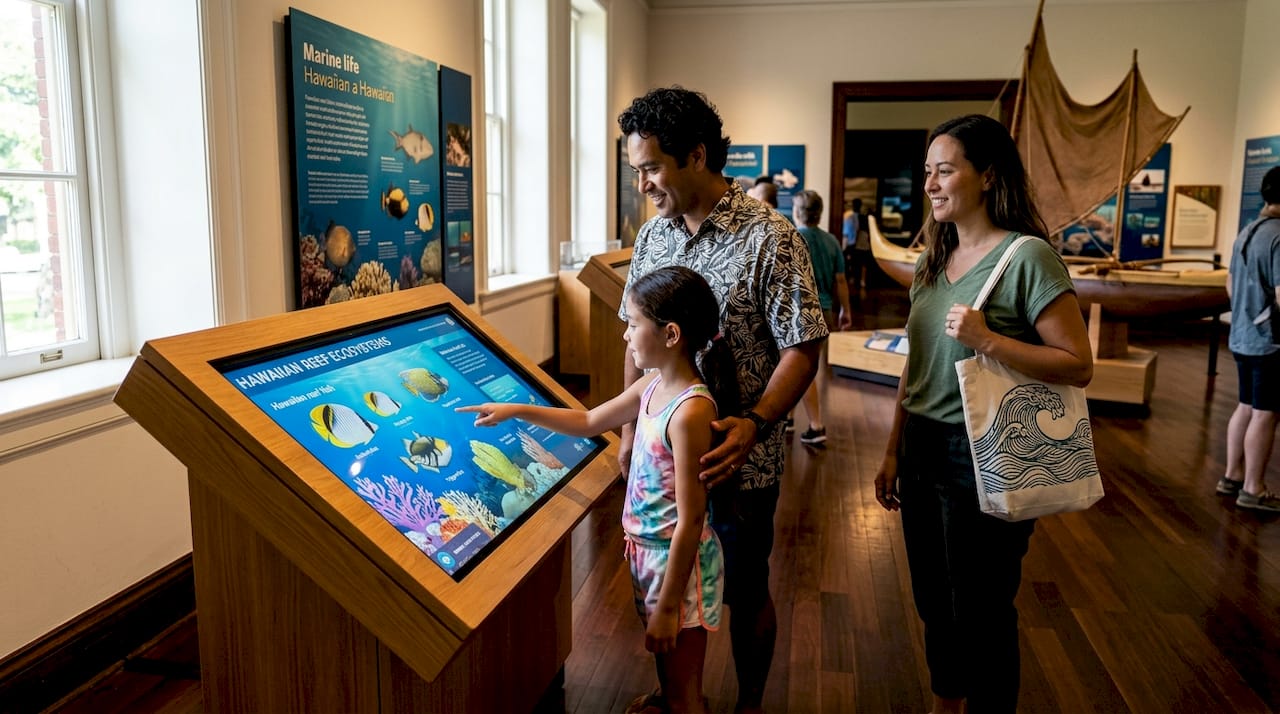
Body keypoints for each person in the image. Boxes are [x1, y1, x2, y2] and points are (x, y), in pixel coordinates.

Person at [873, 114, 1093, 714]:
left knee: (982, 606)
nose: (931, 185)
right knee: (933, 601)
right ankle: (948, 703)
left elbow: (1077, 364)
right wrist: (893, 448)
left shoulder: (1029, 258)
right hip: (920, 442)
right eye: (928, 172)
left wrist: (988, 338)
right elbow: (915, 366)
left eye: (945, 170)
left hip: (985, 447)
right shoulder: (930, 261)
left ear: (987, 175)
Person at [618, 86, 828, 714]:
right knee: (669, 586)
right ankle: (679, 695)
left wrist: (757, 424)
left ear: (698, 155)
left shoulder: (771, 236)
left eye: (652, 168)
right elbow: (636, 336)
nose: (644, 185)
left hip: (736, 459)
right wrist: (628, 431)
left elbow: (804, 345)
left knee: (742, 585)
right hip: (662, 458)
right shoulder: (652, 238)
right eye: (636, 171)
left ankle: (750, 705)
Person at [459, 266, 738, 714]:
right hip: (648, 552)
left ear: (670, 334)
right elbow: (590, 422)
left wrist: (668, 605)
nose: (625, 335)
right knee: (665, 655)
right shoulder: (652, 386)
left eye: (632, 323)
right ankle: (667, 696)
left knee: (685, 679)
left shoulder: (690, 411)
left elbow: (691, 519)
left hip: (678, 566)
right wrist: (515, 409)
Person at [1218, 165, 1280, 513]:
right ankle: (1253, 489)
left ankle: (1231, 476)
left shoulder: (1247, 231)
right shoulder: (1279, 235)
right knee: (1266, 413)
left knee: (1246, 406)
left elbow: (1230, 285)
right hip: (1270, 342)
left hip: (1242, 337)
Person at [790, 189, 853, 445]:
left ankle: (816, 425)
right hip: (825, 311)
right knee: (802, 366)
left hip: (800, 312)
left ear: (797, 212)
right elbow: (840, 280)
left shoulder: (793, 239)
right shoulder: (832, 241)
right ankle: (789, 418)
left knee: (800, 369)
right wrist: (845, 310)